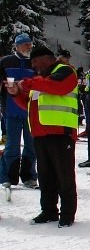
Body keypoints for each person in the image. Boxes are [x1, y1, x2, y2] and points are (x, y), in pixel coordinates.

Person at [7, 46, 78, 227]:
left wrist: (27, 83)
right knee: (46, 177)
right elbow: (30, 105)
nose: (33, 66)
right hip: (41, 134)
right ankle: (48, 211)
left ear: (47, 58)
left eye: (35, 62)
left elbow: (57, 87)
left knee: (64, 176)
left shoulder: (65, 71)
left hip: (61, 133)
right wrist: (16, 94)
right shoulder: (39, 80)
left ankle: (67, 214)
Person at [0, 33, 38, 195]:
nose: (28, 47)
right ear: (17, 46)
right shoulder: (6, 61)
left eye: (30, 44)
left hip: (31, 110)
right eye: (25, 44)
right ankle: (8, 176)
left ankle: (29, 176)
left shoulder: (35, 62)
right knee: (12, 145)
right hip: (11, 110)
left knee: (31, 145)